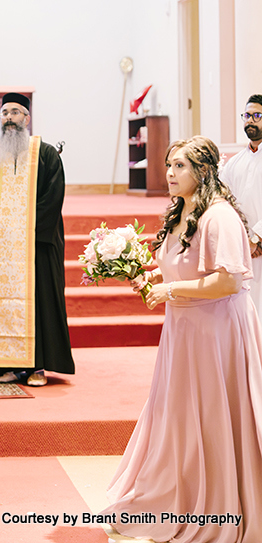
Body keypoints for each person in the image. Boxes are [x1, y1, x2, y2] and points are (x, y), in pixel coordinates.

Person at [102, 136, 262, 543]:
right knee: (181, 413)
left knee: (212, 414)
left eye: (180, 167)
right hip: (186, 329)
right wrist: (152, 276)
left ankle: (219, 502)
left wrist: (170, 292)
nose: (169, 174)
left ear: (203, 170)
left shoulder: (219, 216)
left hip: (216, 331)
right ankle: (183, 491)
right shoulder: (183, 210)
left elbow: (226, 281)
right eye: (169, 165)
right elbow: (182, 265)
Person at [0, 92, 74, 387]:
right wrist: (2, 231)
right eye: (5, 112)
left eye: (15, 112)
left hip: (37, 245)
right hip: (3, 246)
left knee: (40, 302)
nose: (9, 118)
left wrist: (25, 230)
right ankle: (8, 365)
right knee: (4, 303)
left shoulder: (45, 154)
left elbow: (53, 196)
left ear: (26, 119)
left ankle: (38, 367)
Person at [221, 94, 262, 315]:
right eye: (247, 115)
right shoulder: (234, 163)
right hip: (242, 247)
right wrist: (243, 239)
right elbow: (224, 203)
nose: (250, 121)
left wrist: (256, 238)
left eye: (257, 115)